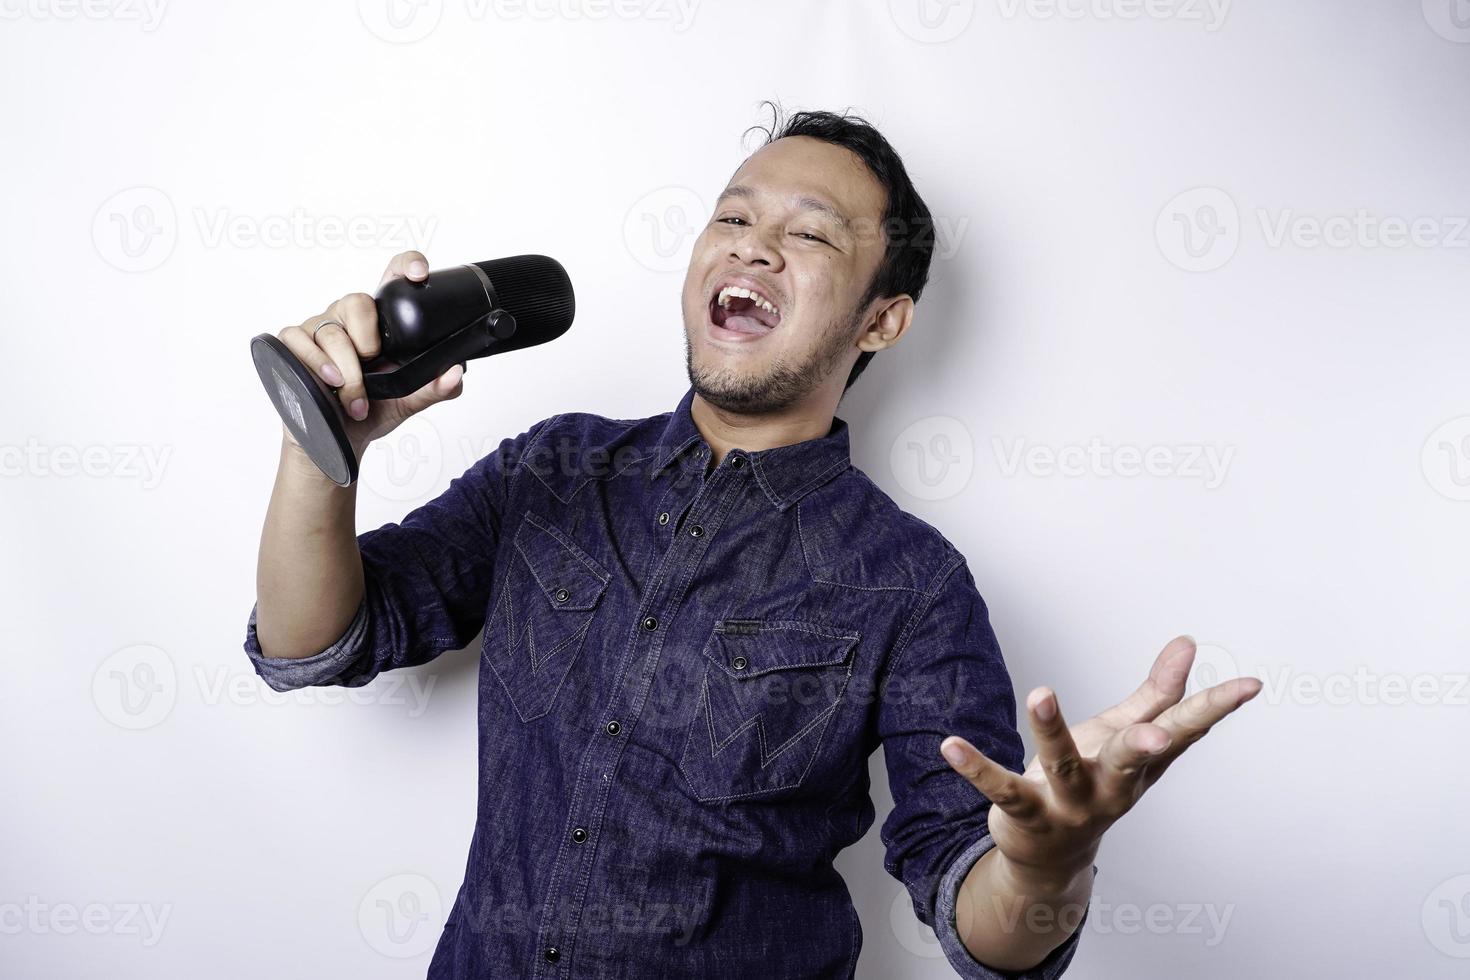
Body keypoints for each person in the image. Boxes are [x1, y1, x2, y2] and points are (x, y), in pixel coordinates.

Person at [243, 105, 1261, 979]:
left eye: (810, 235)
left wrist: (1044, 866)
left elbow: (981, 915)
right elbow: (313, 641)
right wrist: (323, 437)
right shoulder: (549, 470)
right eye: (732, 216)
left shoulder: (912, 583)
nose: (753, 244)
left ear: (884, 319)